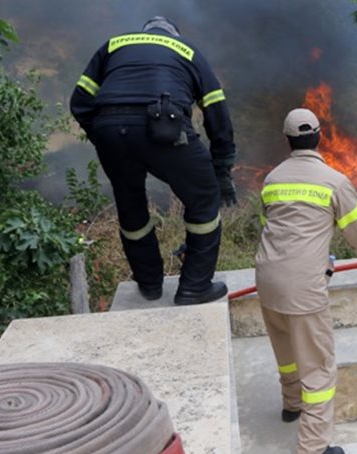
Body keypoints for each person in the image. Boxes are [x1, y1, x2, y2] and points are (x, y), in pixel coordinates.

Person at [70, 16, 237, 305]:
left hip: (109, 128)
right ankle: (194, 287)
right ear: (173, 34)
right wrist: (221, 168)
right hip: (165, 128)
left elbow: (80, 102)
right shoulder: (187, 50)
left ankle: (149, 283)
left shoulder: (112, 45)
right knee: (205, 198)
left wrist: (104, 136)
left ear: (144, 32)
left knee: (130, 203)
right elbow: (216, 111)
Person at [255, 108, 357, 454]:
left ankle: (291, 405)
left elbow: (275, 226)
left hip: (267, 279)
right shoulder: (333, 181)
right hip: (303, 288)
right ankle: (314, 449)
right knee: (318, 369)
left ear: (287, 141)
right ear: (319, 136)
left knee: (286, 352)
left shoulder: (271, 180)